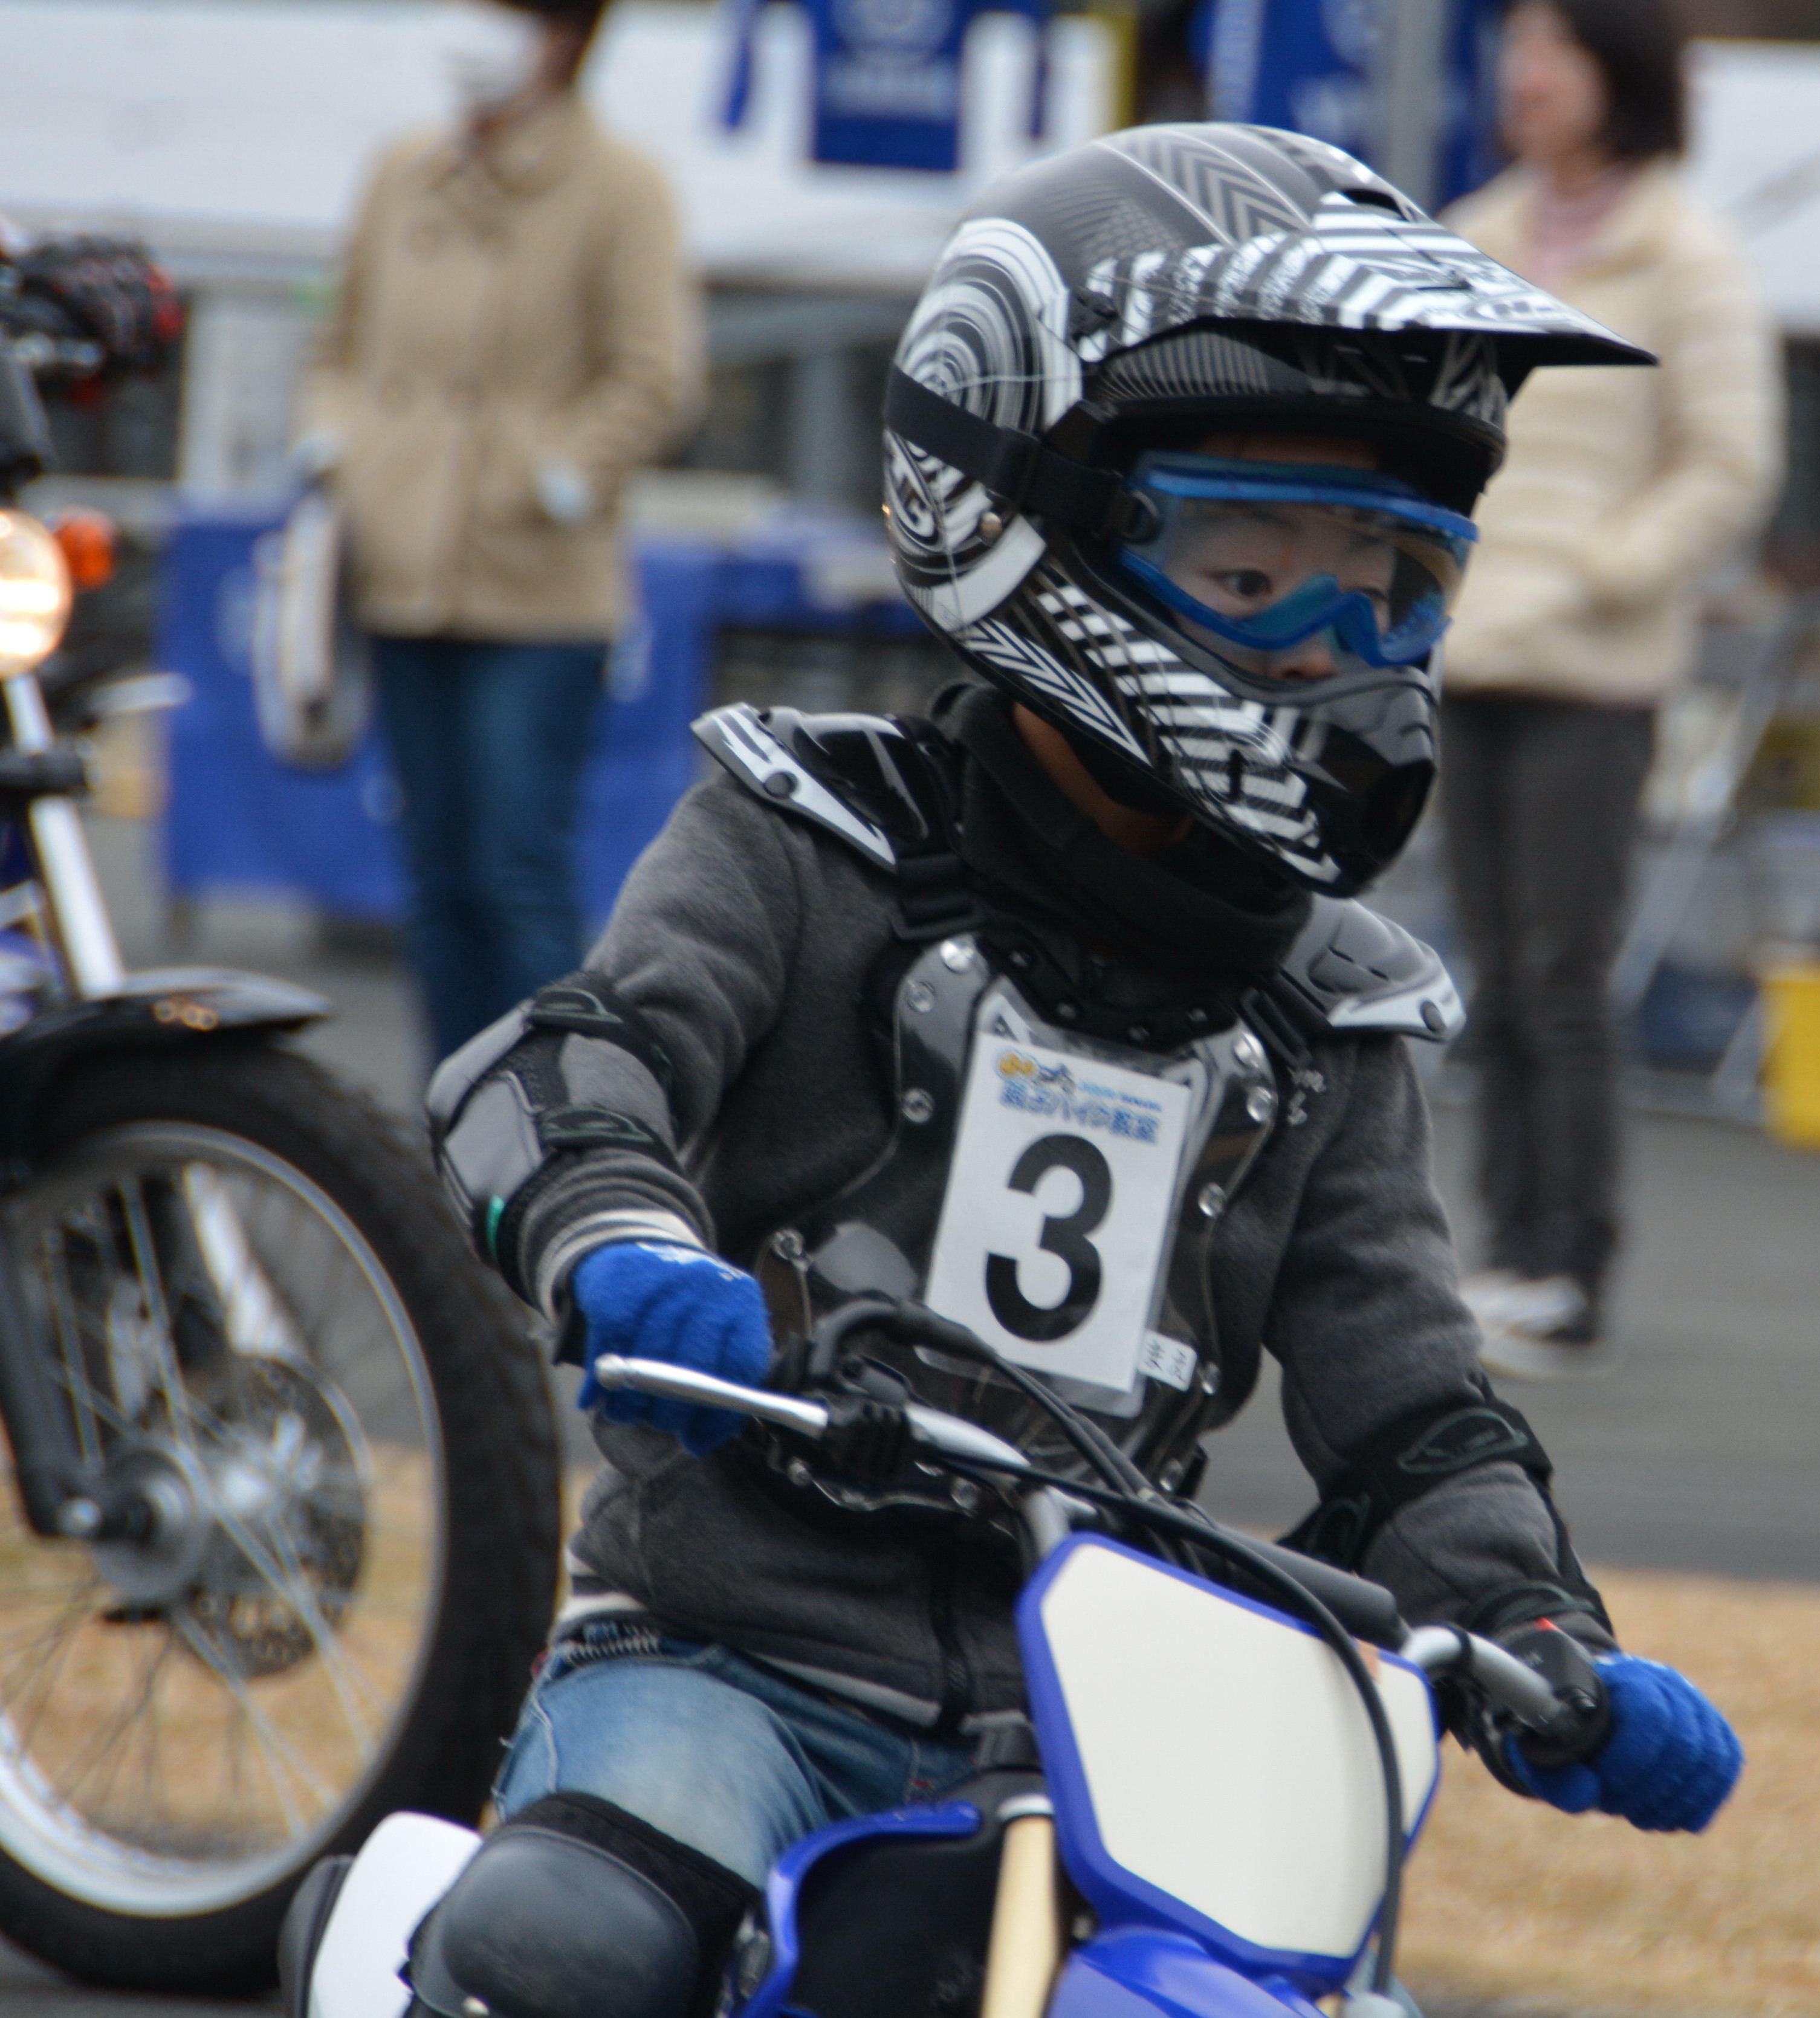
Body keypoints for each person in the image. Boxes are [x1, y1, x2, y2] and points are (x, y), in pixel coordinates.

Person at [341, 128, 1741, 2018]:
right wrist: (623, 1244)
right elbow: (571, 1069)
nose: (1340, 653)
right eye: (1255, 568)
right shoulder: (808, 836)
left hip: (1120, 1714)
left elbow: (1408, 1397)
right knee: (565, 1953)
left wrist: (1539, 1632)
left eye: (1392, 587)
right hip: (732, 1660)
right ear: (1023, 510)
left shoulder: (1329, 1008)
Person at [1437, 0, 1780, 1378]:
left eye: (1556, 50)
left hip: (1593, 669)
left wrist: (1596, 570)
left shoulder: (1688, 255)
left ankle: (1568, 1269)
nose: (1525, 75)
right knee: (1492, 975)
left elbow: (1730, 465)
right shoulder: (1477, 230)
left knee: (1562, 975)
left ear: (1621, 74)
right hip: (1464, 654)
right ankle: (1502, 1249)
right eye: (1517, 48)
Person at [297, 0, 703, 1058]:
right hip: (398, 574)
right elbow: (334, 345)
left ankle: (551, 1126)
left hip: (538, 590)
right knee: (433, 882)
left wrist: (557, 477)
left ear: (565, 38)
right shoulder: (400, 171)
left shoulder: (622, 187)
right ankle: (452, 1122)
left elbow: (657, 377)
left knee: (514, 873)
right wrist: (339, 448)